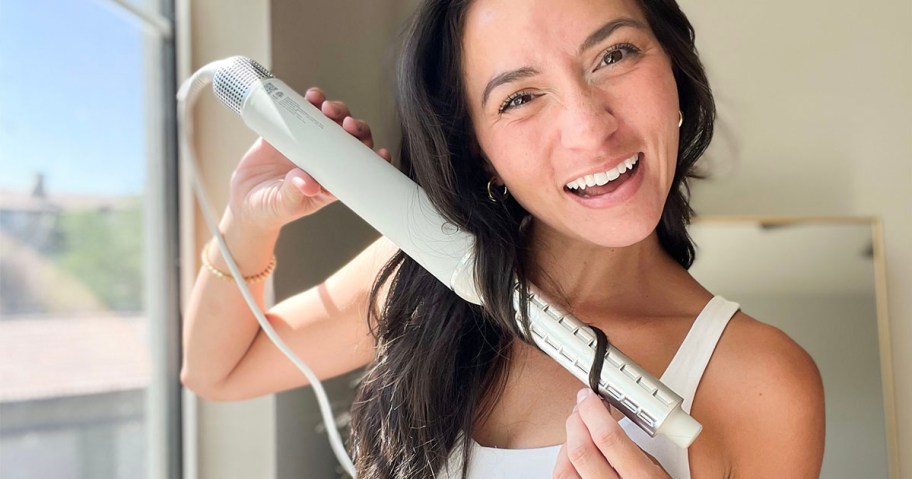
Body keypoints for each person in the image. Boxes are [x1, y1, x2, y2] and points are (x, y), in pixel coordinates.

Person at [182, 0, 826, 477]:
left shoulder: (765, 382)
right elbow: (217, 372)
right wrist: (251, 219)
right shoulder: (428, 270)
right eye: (519, 98)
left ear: (675, 73)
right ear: (479, 150)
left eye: (614, 55)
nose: (589, 129)